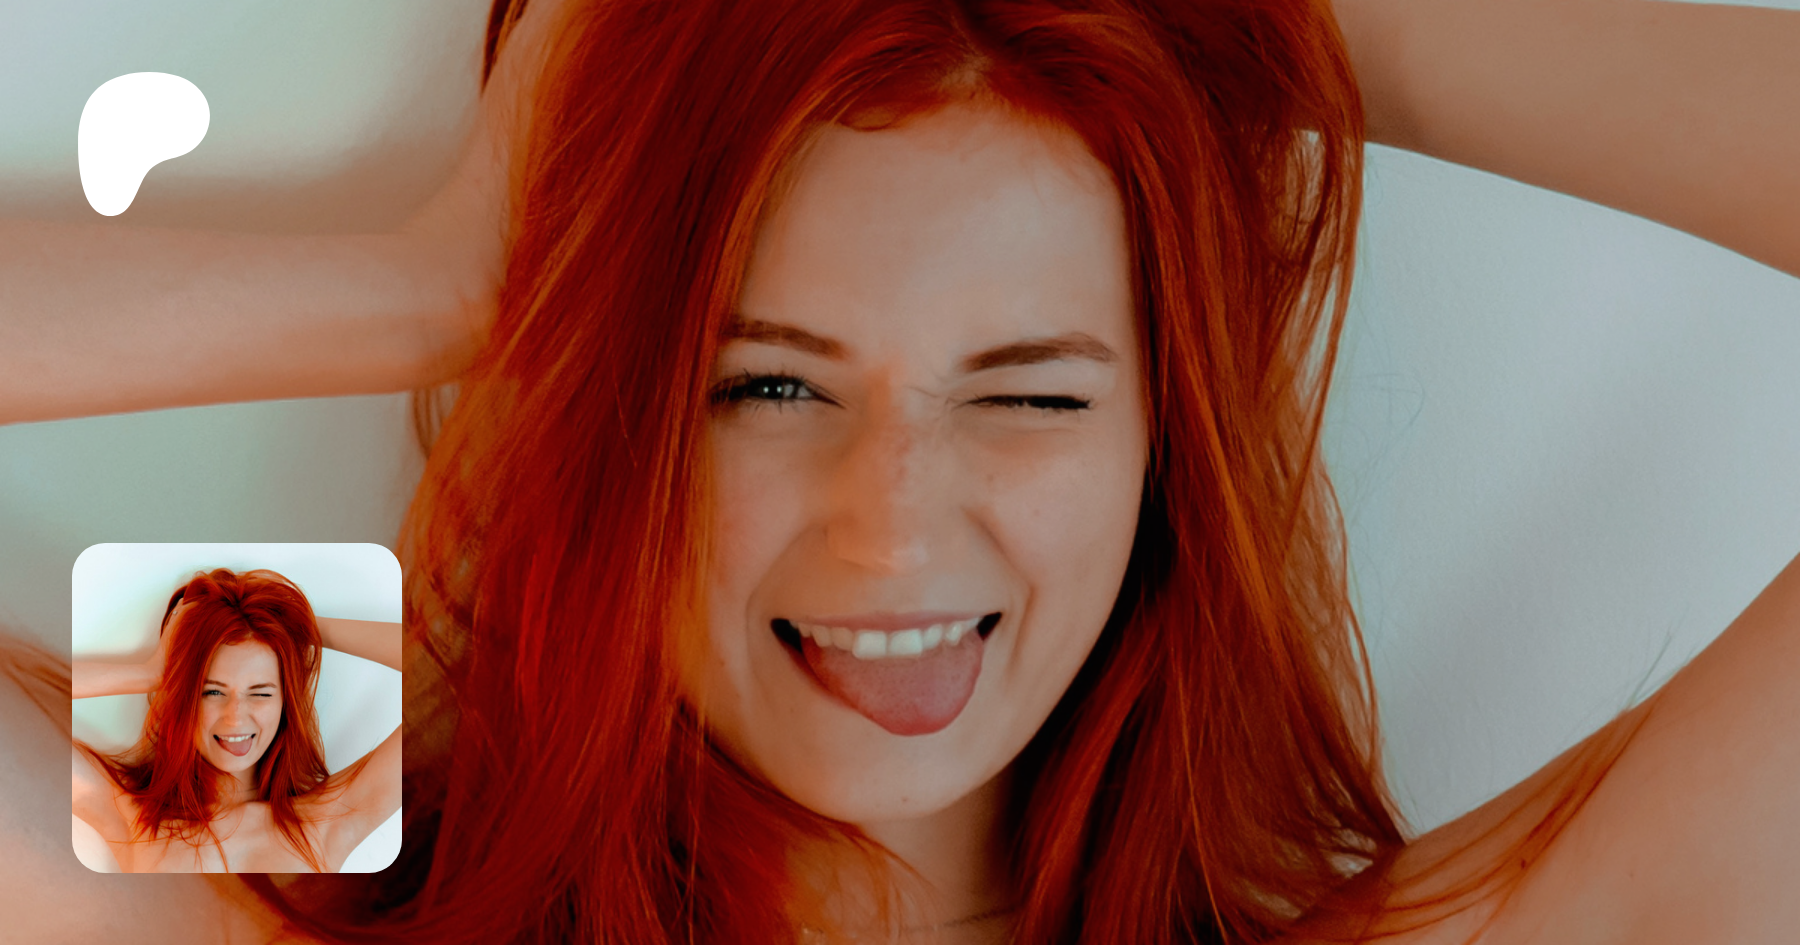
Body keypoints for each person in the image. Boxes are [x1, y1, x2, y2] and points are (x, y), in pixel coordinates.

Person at [0, 0, 1795, 942]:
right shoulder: (273, 888)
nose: (895, 524)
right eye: (769, 385)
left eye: (1032, 398)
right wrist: (443, 286)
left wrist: (1234, 26)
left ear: (1165, 450)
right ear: (612, 414)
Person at [69, 567, 402, 873]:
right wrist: (151, 674)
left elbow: (433, 665)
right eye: (212, 692)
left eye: (260, 693)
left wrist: (299, 625)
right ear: (184, 697)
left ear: (285, 704)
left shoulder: (330, 819)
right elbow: (33, 717)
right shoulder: (130, 815)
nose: (235, 716)